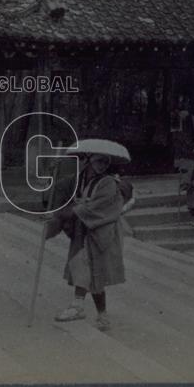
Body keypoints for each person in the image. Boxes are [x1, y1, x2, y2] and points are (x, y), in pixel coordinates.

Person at [49, 140, 130, 332]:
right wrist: (53, 173)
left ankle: (93, 312)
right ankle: (87, 310)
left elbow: (94, 207)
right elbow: (64, 187)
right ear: (88, 160)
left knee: (94, 271)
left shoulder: (108, 183)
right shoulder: (82, 177)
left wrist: (65, 213)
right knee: (82, 266)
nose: (102, 165)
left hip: (100, 231)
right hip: (82, 228)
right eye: (98, 161)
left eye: (105, 162)